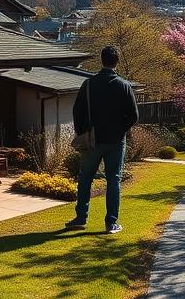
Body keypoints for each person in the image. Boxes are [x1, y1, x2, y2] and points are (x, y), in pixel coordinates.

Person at [65, 45, 139, 234]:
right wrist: (121, 129)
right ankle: (111, 222)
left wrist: (82, 132)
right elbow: (133, 115)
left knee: (85, 178)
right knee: (113, 179)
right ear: (117, 62)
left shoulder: (89, 84)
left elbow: (77, 112)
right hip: (115, 140)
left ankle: (81, 217)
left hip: (92, 139)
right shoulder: (124, 85)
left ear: (101, 60)